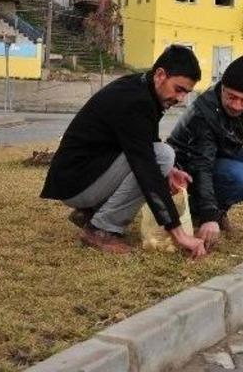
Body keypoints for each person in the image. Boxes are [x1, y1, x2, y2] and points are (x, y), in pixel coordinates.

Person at [40, 45, 206, 257]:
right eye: (179, 89)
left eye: (186, 92)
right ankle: (101, 230)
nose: (181, 98)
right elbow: (145, 165)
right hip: (76, 183)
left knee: (163, 158)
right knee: (162, 156)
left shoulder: (141, 89)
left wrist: (170, 171)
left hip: (80, 177)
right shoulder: (136, 101)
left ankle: (91, 214)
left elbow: (144, 141)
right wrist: (179, 234)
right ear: (160, 75)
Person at [168, 55, 243, 249]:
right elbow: (201, 165)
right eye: (231, 97)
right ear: (222, 88)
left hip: (220, 157)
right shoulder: (203, 113)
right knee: (237, 173)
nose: (237, 105)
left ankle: (219, 209)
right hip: (187, 166)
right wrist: (208, 216)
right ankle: (200, 211)